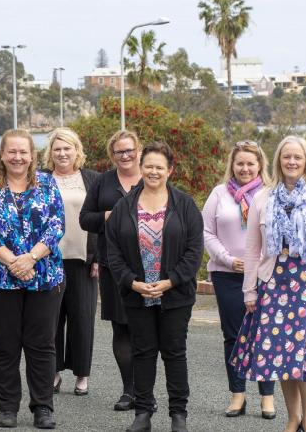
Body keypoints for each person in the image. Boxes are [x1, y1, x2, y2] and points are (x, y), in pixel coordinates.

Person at [230, 136, 306, 432]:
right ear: (278, 160)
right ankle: (293, 418)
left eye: (298, 158)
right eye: (286, 157)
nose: (292, 162)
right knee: (282, 354)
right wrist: (249, 289)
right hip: (274, 282)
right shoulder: (264, 198)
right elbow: (252, 248)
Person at [106, 142, 204, 432]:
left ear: (169, 170)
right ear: (140, 167)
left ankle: (178, 415)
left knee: (174, 352)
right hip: (137, 295)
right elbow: (113, 253)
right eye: (148, 165)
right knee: (143, 352)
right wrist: (132, 283)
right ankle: (143, 413)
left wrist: (171, 280)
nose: (153, 171)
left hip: (175, 294)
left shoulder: (184, 205)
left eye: (159, 166)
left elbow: (194, 252)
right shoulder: (124, 207)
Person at [0, 129, 65, 430]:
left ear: (32, 155)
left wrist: (30, 258)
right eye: (11, 151)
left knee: (41, 345)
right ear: (2, 154)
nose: (17, 157)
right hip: (0, 279)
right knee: (5, 345)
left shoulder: (48, 184)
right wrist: (13, 261)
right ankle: (7, 408)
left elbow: (57, 226)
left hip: (44, 277)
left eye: (23, 152)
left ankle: (43, 407)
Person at [201, 140, 277, 419]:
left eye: (250, 163)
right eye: (240, 163)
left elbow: (279, 234)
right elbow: (206, 232)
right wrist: (227, 259)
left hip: (264, 276)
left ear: (260, 166)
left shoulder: (271, 194)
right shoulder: (219, 194)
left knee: (264, 336)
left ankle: (267, 397)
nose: (245, 168)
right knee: (233, 336)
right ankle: (237, 395)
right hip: (227, 275)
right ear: (232, 165)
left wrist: (259, 265)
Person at [79, 130, 142, 411]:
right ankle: (129, 391)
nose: (125, 156)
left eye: (129, 150)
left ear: (139, 151)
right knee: (122, 327)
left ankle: (146, 389)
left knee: (148, 329)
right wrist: (106, 216)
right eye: (119, 152)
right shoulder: (103, 182)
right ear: (112, 155)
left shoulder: (153, 175)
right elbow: (84, 219)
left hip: (150, 267)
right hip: (113, 266)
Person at [43, 128, 99, 396]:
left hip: (84, 260)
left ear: (77, 150)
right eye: (57, 149)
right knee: (51, 318)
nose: (62, 153)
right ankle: (52, 372)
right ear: (50, 153)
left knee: (82, 318)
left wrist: (98, 256)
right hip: (48, 260)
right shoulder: (41, 179)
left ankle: (82, 375)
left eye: (67, 148)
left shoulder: (93, 180)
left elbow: (101, 222)